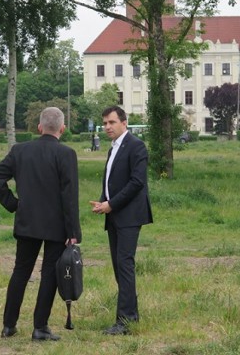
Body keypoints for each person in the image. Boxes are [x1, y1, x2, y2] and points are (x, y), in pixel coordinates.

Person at [0, 107, 82, 342]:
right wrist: (74, 232)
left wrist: (13, 203)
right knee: (49, 274)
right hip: (56, 225)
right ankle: (40, 327)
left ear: (39, 127)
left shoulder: (20, 150)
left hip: (27, 221)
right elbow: (69, 196)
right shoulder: (66, 154)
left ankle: (8, 325)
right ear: (63, 128)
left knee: (21, 271)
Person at [90, 106, 153, 335]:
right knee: (119, 267)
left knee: (124, 265)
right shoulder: (113, 148)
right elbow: (111, 181)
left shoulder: (136, 146)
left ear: (124, 123)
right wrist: (102, 201)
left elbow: (137, 183)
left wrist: (112, 204)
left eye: (112, 122)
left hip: (129, 215)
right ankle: (131, 316)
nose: (107, 127)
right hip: (114, 214)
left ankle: (124, 322)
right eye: (105, 123)